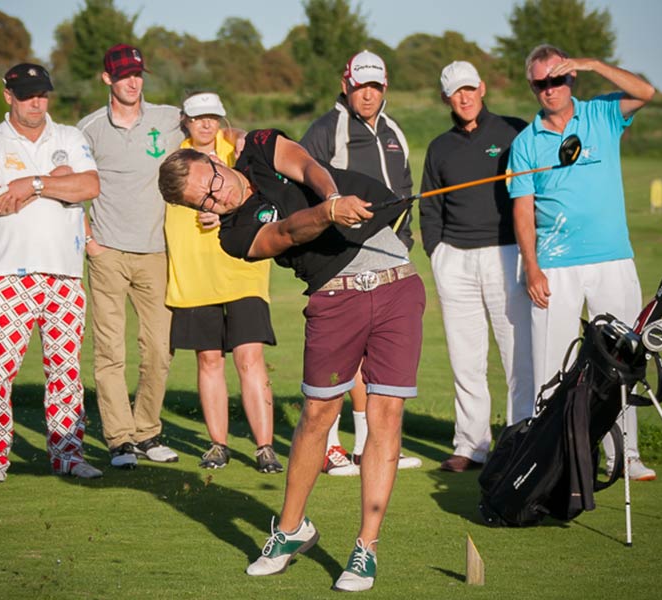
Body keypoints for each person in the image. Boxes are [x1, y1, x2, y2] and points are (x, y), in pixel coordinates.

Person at [158, 128, 425, 592]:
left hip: (397, 283)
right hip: (334, 300)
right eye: (202, 201)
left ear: (217, 163)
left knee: (387, 412)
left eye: (212, 183)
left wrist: (334, 195)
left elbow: (305, 164)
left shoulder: (258, 148)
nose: (215, 198)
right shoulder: (234, 235)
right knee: (318, 413)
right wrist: (326, 213)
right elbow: (284, 232)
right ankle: (290, 530)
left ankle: (367, 547)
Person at [508, 44, 658, 480]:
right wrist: (531, 267)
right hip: (554, 265)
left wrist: (593, 64)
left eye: (558, 79)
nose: (550, 89)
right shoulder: (525, 143)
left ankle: (625, 455)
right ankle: (549, 459)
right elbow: (523, 210)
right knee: (551, 365)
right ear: (532, 86)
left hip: (612, 258)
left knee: (622, 359)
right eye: (541, 82)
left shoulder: (603, 114)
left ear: (571, 78)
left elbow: (646, 91)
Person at [0, 63, 102, 483]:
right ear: (8, 95)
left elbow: (89, 187)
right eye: (27, 95)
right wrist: (57, 182)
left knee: (65, 371)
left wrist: (32, 184)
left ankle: (68, 455)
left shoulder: (69, 137)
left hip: (64, 272)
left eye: (42, 94)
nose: (36, 103)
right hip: (9, 273)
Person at [300, 49, 420, 476]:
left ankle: (365, 444)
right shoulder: (326, 130)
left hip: (389, 256)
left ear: (383, 88)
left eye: (374, 87)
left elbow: (404, 190)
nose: (366, 95)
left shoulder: (394, 132)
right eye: (359, 86)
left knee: (375, 357)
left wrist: (402, 241)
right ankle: (329, 446)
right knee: (341, 356)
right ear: (344, 84)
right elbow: (303, 187)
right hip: (340, 261)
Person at [419, 61, 535, 473]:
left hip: (506, 254)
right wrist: (437, 253)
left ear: (482, 88)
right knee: (465, 358)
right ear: (446, 97)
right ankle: (471, 445)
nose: (464, 97)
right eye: (456, 92)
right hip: (456, 258)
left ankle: (522, 438)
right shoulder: (439, 147)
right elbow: (430, 206)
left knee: (518, 354)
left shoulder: (513, 131)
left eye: (470, 89)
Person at [78, 44, 185, 469]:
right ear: (107, 79)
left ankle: (148, 431)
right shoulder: (87, 130)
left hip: (156, 252)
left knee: (159, 349)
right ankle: (120, 439)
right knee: (110, 351)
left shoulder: (168, 119)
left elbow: (212, 133)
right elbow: (73, 191)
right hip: (106, 253)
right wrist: (90, 242)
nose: (133, 81)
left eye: (137, 73)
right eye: (123, 75)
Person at [164, 91, 281, 473]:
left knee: (250, 357)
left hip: (243, 270)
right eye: (198, 118)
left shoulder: (237, 151)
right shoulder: (174, 160)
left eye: (213, 117)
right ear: (185, 120)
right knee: (209, 359)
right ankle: (218, 445)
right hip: (194, 272)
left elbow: (254, 149)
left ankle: (264, 447)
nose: (206, 124)